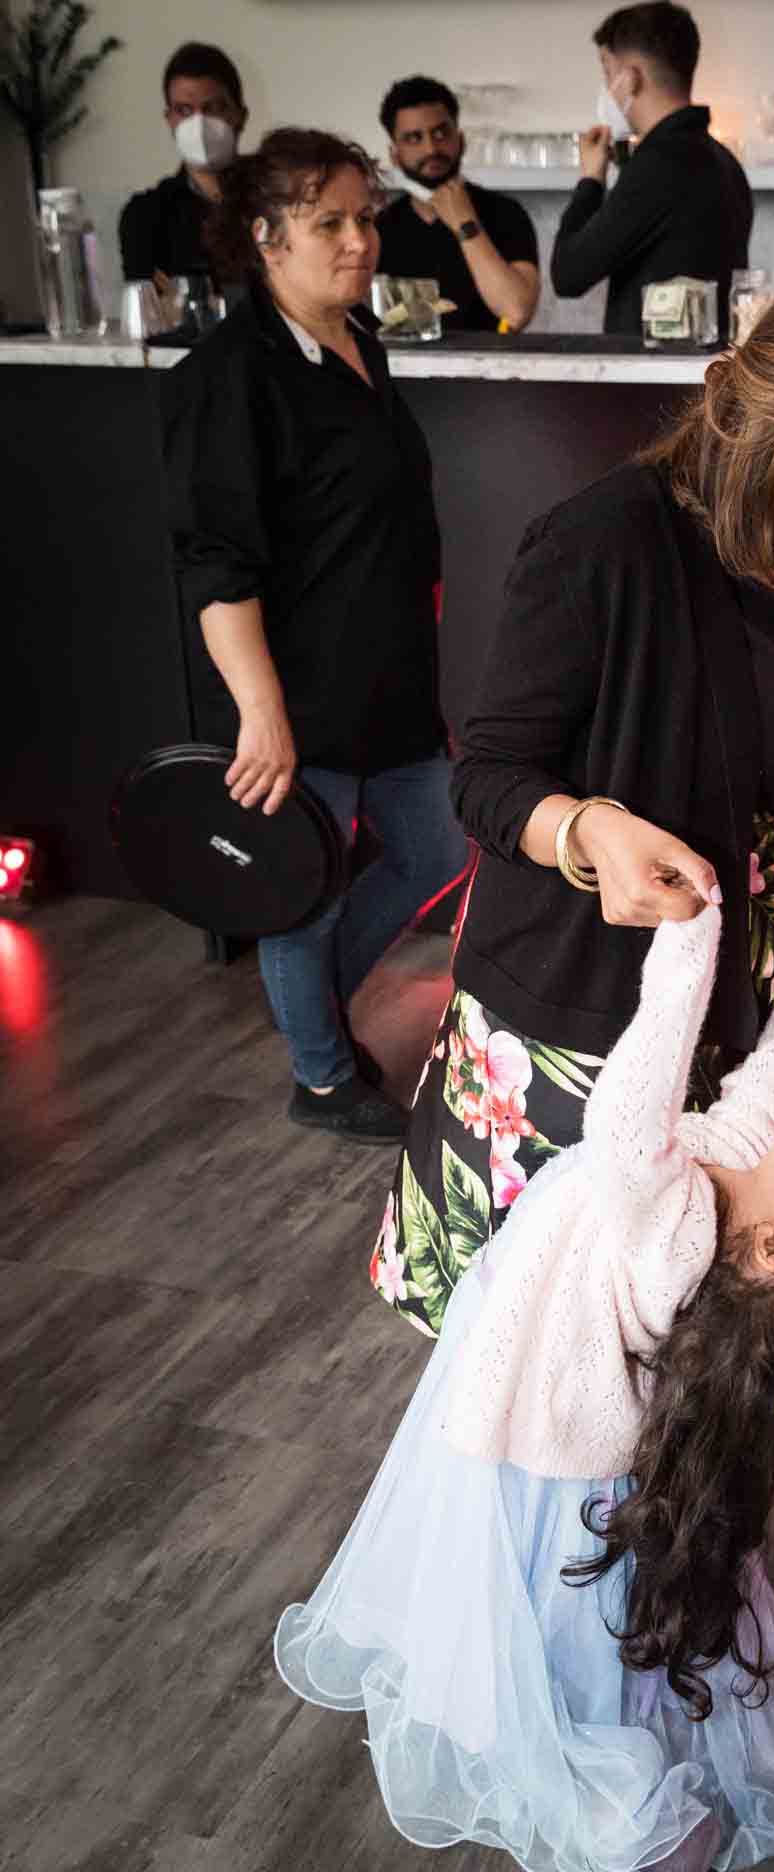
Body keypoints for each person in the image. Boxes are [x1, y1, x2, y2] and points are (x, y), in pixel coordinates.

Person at [376, 233, 774, 1325]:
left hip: (756, 1028)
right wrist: (587, 830)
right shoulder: (601, 542)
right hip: (587, 1035)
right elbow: (486, 777)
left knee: (710, 1384)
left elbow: (742, 743)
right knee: (556, 1372)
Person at [277, 844, 774, 1872]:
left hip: (549, 1445)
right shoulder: (728, 1165)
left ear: (765, 1255)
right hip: (575, 1425)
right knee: (604, 1630)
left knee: (563, 1640)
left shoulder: (667, 1221)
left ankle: (612, 1806)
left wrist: (694, 916)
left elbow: (631, 1098)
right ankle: (628, 1767)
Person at [161, 128, 470, 1145]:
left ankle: (314, 1004)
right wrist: (261, 714)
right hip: (297, 693)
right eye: (327, 222)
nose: (357, 241)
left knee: (435, 841)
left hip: (384, 676)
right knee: (306, 892)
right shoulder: (230, 375)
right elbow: (217, 566)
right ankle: (322, 1074)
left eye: (364, 218)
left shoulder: (356, 340)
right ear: (265, 236)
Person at [551, 3, 752, 336]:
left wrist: (590, 179)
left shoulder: (659, 163)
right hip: (699, 372)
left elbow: (568, 275)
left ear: (630, 79)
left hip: (654, 378)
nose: (605, 87)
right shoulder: (721, 159)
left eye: (607, 71)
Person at [376, 76, 540, 333]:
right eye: (414, 138)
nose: (431, 148)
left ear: (460, 140)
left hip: (492, 368)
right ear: (394, 154)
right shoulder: (379, 227)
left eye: (441, 133)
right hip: (403, 371)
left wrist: (466, 224)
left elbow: (516, 312)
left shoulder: (506, 214)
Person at [119, 42, 248, 288]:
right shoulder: (145, 216)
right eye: (184, 110)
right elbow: (152, 310)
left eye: (214, 108)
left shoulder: (276, 199)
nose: (198, 123)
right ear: (169, 120)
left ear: (240, 115)